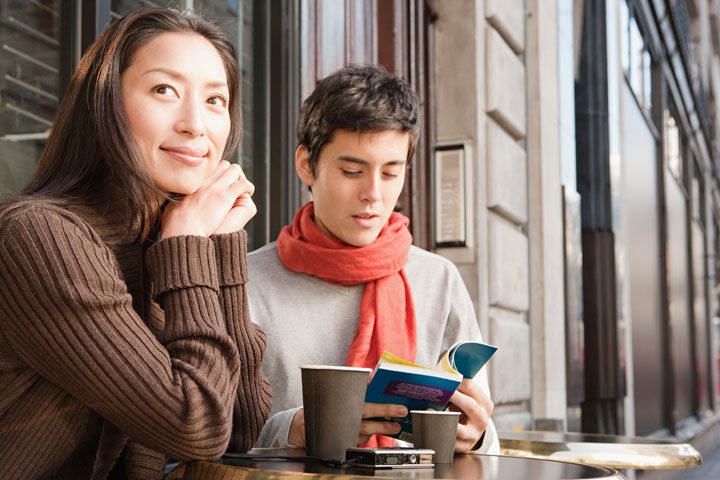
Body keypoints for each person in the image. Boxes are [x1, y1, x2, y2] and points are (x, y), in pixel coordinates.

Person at [0, 9, 271, 479]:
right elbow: (196, 427)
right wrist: (188, 243)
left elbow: (242, 428)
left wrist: (221, 244)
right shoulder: (40, 237)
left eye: (215, 100)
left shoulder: (159, 242)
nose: (195, 124)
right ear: (104, 105)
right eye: (164, 90)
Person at [248, 65, 499, 454]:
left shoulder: (439, 280)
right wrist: (295, 429)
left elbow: (485, 439)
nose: (373, 194)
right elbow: (208, 441)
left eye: (390, 173)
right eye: (352, 171)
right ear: (306, 165)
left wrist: (477, 435)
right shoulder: (247, 282)